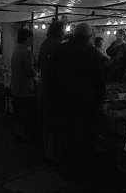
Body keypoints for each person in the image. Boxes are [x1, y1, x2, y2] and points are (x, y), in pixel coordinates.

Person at [48, 22, 105, 179]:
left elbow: (50, 76)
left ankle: (64, 167)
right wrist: (98, 103)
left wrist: (51, 97)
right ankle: (77, 168)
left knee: (63, 134)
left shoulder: (60, 49)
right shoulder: (92, 52)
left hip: (61, 100)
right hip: (82, 102)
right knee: (79, 136)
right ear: (88, 36)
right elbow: (99, 82)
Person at [37, 21, 65, 161]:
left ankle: (46, 150)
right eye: (64, 29)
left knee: (46, 121)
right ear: (59, 31)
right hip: (53, 89)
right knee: (52, 122)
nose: (65, 32)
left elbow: (38, 64)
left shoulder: (44, 44)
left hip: (44, 86)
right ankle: (51, 153)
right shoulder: (57, 46)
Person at [11, 28, 37, 142]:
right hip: (24, 87)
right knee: (25, 111)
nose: (32, 41)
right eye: (30, 38)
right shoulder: (26, 52)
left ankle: (18, 132)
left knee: (18, 111)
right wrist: (36, 72)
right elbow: (28, 71)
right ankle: (24, 134)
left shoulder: (16, 51)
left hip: (16, 85)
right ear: (25, 39)